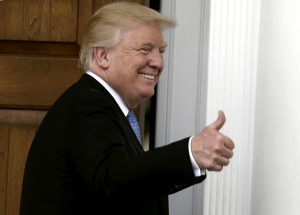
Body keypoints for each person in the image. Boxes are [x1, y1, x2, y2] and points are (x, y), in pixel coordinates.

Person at [20, 2, 235, 215]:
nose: (158, 63)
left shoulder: (103, 105)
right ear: (103, 56)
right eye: (145, 49)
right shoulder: (88, 104)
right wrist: (189, 153)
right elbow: (112, 178)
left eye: (161, 51)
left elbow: (128, 186)